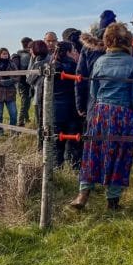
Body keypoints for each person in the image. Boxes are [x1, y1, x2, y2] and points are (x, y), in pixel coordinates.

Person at [70, 22, 133, 211]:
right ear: (127, 41)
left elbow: (93, 92)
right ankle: (112, 200)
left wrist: (92, 113)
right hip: (122, 113)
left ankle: (83, 193)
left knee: (92, 151)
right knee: (119, 154)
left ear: (107, 41)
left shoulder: (100, 62)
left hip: (100, 112)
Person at [51, 41, 82, 170]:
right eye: (73, 50)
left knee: (57, 142)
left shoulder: (51, 66)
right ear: (69, 52)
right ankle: (75, 168)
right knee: (75, 142)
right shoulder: (74, 66)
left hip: (56, 107)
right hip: (72, 108)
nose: (75, 53)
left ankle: (57, 168)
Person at [26, 40, 50, 148]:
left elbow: (29, 79)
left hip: (38, 96)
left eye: (31, 49)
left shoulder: (38, 62)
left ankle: (40, 147)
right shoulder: (50, 59)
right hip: (49, 96)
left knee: (40, 123)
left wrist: (32, 60)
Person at [0, 47, 19, 133]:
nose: (5, 55)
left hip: (10, 93)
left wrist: (11, 81)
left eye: (6, 54)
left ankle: (13, 131)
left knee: (13, 114)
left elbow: (18, 77)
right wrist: (0, 82)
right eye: (3, 53)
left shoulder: (12, 65)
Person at [13, 37, 33, 127]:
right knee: (25, 102)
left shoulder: (19, 54)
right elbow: (27, 69)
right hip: (25, 82)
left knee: (25, 102)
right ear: (28, 44)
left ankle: (26, 119)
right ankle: (20, 122)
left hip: (20, 83)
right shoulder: (26, 56)